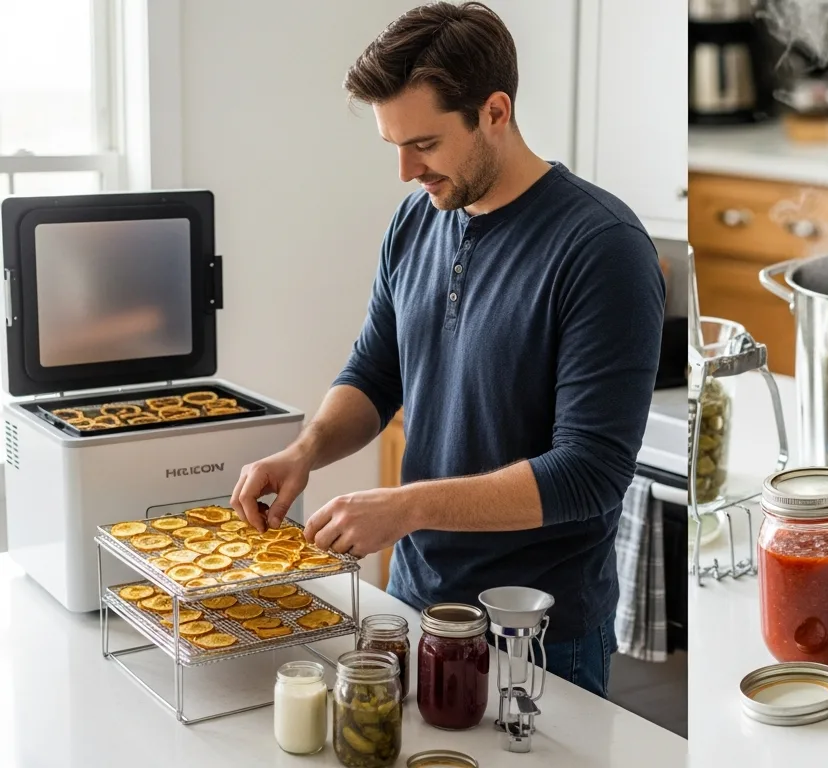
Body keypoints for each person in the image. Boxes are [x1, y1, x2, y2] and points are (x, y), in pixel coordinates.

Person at [228, 1, 665, 698]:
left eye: (424, 144)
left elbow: (590, 473)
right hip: (413, 604)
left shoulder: (602, 249)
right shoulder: (417, 220)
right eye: (394, 146)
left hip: (535, 636)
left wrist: (407, 507)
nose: (405, 171)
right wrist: (303, 453)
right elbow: (377, 370)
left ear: (495, 111)